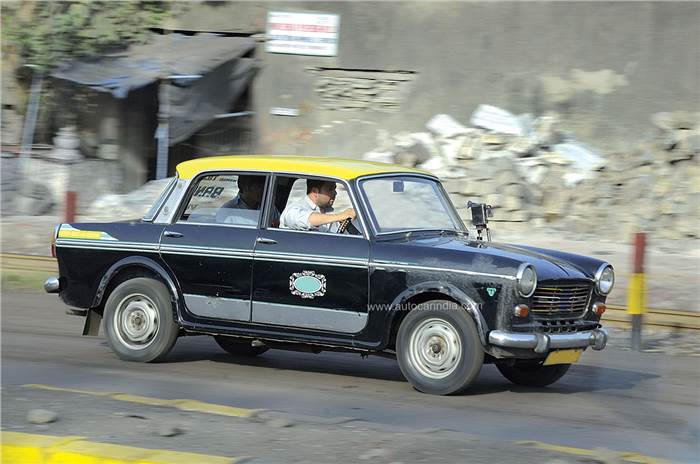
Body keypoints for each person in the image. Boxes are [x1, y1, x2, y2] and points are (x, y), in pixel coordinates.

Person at [280, 179, 356, 233]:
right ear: (315, 192)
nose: (335, 193)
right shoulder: (294, 209)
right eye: (330, 189)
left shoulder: (328, 213)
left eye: (334, 189)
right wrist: (341, 216)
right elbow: (307, 220)